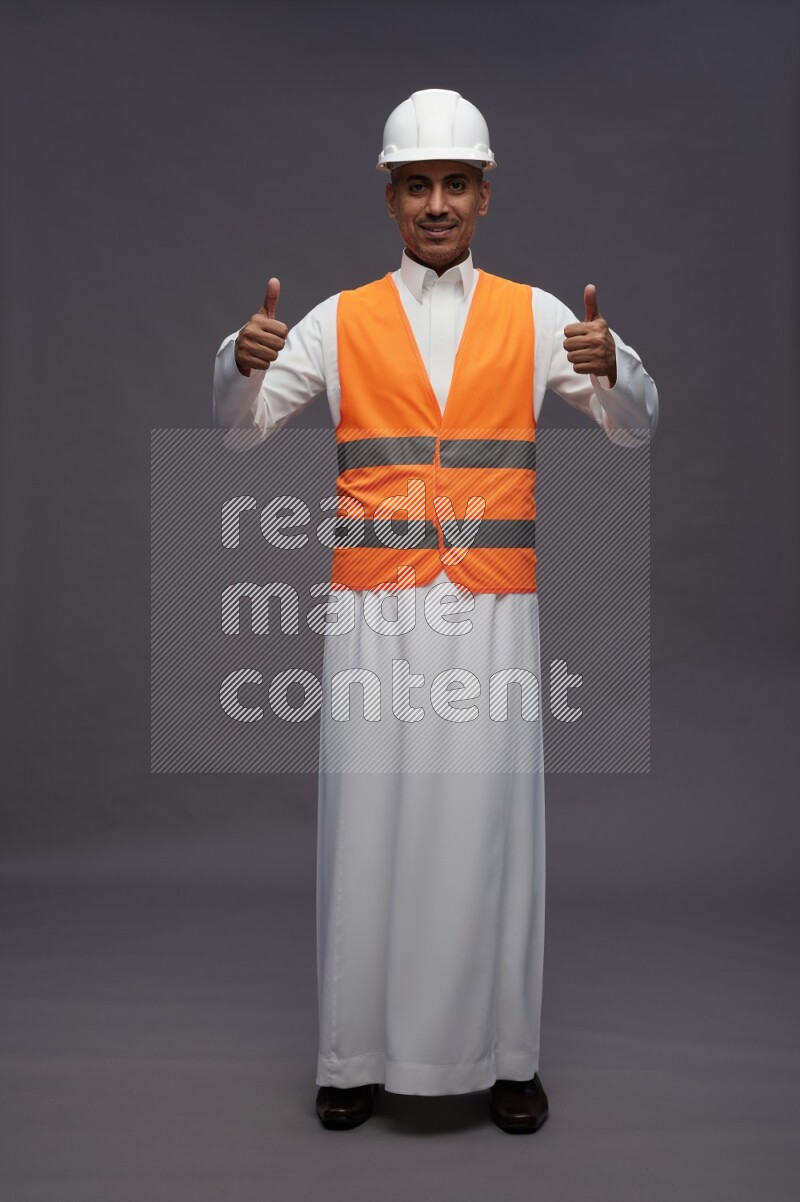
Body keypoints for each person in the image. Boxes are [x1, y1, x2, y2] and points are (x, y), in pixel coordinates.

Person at [213, 88, 658, 1134]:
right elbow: (239, 430)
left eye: (456, 183)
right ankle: (352, 1057)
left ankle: (507, 1057)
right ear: (390, 198)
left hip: (492, 612)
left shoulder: (540, 316)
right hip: (372, 614)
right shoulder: (335, 320)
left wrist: (620, 370)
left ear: (485, 195)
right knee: (366, 826)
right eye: (417, 186)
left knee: (491, 826)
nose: (437, 203)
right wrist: (239, 361)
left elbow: (631, 427)